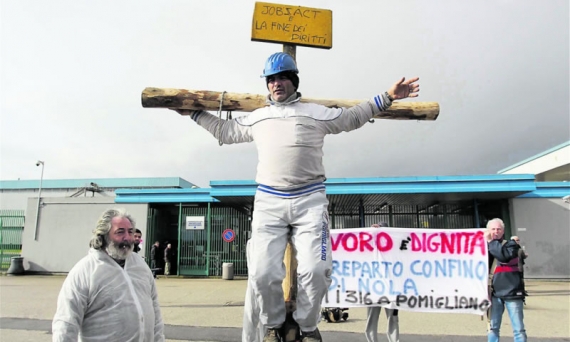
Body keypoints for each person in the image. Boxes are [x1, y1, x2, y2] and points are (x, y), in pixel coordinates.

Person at [174, 52, 419, 342]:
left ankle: (307, 324)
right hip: (268, 202)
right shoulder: (258, 117)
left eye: (282, 77)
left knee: (316, 270)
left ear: (293, 80)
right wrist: (194, 112)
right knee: (262, 274)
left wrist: (388, 97)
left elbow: (353, 117)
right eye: (271, 79)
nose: (276, 84)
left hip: (310, 201)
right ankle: (275, 324)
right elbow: (225, 132)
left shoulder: (316, 112)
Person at [52, 208, 164, 341]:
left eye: (130, 232)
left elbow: (155, 311)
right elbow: (66, 323)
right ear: (104, 236)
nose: (127, 237)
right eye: (120, 232)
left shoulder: (140, 266)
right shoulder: (85, 271)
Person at [486, 218, 527, 342]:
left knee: (518, 329)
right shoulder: (484, 248)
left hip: (512, 292)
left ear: (503, 231)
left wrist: (490, 242)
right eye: (493, 229)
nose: (496, 232)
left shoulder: (511, 245)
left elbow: (503, 256)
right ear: (488, 230)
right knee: (493, 327)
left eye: (498, 229)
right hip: (494, 293)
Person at [366, 222, 400, 342]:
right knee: (372, 318)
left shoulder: (394, 248)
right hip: (373, 287)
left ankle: (394, 340)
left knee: (393, 317)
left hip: (391, 288)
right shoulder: (369, 248)